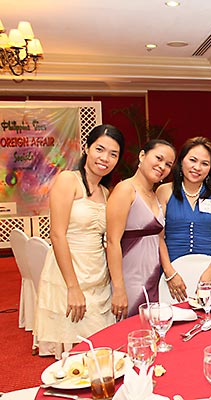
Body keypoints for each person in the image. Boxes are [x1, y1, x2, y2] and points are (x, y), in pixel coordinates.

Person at [35, 124, 125, 357]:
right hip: (70, 271)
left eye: (113, 154)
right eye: (99, 149)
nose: (105, 158)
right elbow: (57, 234)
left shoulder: (106, 193)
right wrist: (72, 287)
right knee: (76, 349)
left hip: (98, 273)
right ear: (87, 148)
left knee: (100, 346)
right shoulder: (68, 180)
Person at [156, 137, 211, 302]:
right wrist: (169, 273)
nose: (197, 167)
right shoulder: (164, 191)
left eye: (205, 163)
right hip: (172, 270)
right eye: (192, 160)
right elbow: (158, 236)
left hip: (209, 269)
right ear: (181, 161)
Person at [106, 139, 176, 318]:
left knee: (149, 326)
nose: (162, 166)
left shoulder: (155, 195)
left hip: (152, 276)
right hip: (129, 278)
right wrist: (119, 288)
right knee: (129, 328)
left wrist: (169, 272)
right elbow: (112, 241)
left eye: (168, 164)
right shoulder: (125, 189)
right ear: (142, 155)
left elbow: (159, 238)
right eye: (158, 158)